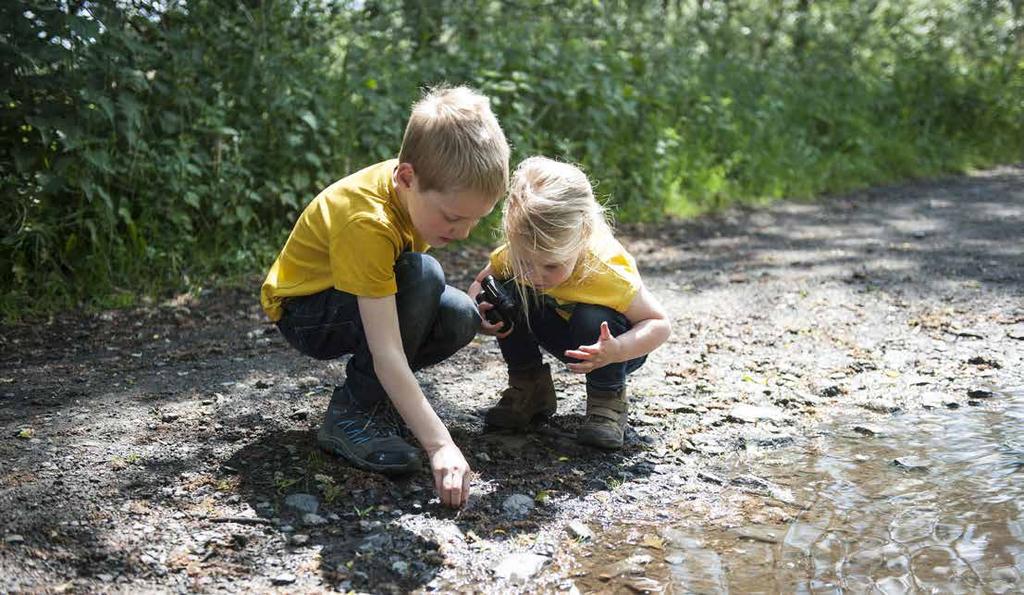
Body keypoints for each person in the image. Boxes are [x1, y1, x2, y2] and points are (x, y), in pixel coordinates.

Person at [261, 86, 509, 508]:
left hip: (348, 299)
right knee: (423, 273)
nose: (463, 233)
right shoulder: (367, 220)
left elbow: (408, 304)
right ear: (408, 177)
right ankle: (353, 413)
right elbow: (389, 348)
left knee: (459, 314)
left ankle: (379, 404)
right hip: (306, 312)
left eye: (475, 221)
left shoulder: (414, 195)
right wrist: (440, 445)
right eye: (454, 218)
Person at [469, 156, 671, 450]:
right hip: (564, 338)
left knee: (591, 316)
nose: (535, 274)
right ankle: (529, 387)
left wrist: (617, 350)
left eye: (551, 266)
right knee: (502, 292)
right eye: (525, 262)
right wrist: (481, 309)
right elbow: (480, 283)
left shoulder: (607, 271)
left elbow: (659, 324)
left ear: (582, 237)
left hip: (613, 347)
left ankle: (607, 401)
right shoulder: (516, 255)